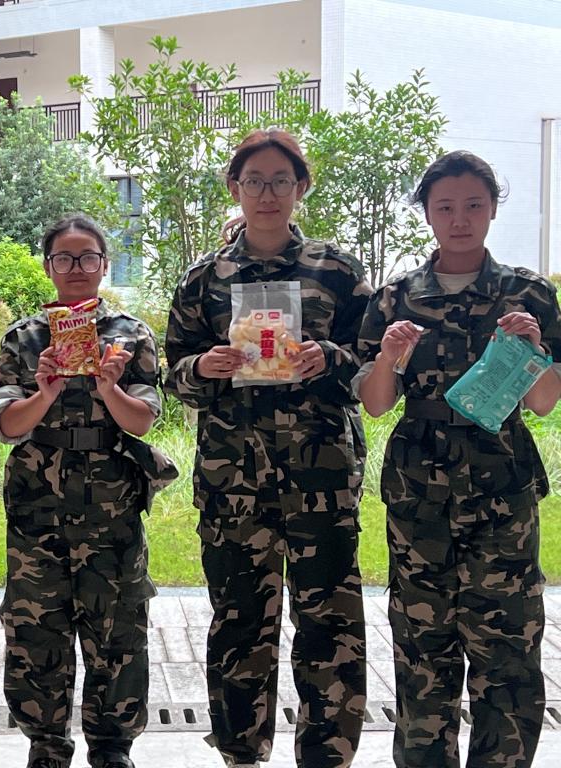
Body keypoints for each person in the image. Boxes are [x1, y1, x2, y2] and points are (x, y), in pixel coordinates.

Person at [165, 128, 371, 768]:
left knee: (330, 624)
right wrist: (205, 367)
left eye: (281, 180)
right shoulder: (204, 279)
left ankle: (327, 756)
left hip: (322, 478)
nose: (267, 193)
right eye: (254, 180)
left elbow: (372, 368)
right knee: (239, 623)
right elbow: (173, 372)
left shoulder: (337, 272)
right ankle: (240, 753)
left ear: (301, 187)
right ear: (235, 187)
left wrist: (329, 356)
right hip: (234, 480)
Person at [355, 150, 561, 768]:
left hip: (502, 487)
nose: (460, 219)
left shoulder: (527, 293)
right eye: (445, 207)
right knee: (423, 648)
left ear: (493, 208)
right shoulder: (396, 297)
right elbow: (375, 404)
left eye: (474, 205)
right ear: (426, 213)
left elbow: (544, 403)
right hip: (419, 489)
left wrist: (533, 349)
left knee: (508, 647)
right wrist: (388, 357)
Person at [0, 213, 173, 768]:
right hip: (38, 507)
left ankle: (113, 747)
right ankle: (46, 744)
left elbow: (142, 420)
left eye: (87, 257)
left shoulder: (130, 336)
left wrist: (109, 387)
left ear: (104, 265)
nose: (76, 267)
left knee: (117, 629)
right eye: (64, 258)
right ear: (48, 266)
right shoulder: (25, 338)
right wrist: (44, 392)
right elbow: (6, 426)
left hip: (111, 506)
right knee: (35, 629)